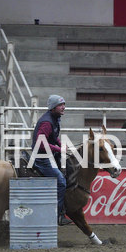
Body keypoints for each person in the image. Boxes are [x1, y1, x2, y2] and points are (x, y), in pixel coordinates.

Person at [31, 94, 71, 225]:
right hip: (41, 157)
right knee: (61, 182)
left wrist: (60, 144)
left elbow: (53, 136)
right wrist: (59, 149)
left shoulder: (54, 118)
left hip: (48, 154)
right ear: (53, 108)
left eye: (63, 104)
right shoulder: (47, 122)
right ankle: (57, 215)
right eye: (60, 105)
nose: (63, 107)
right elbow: (40, 143)